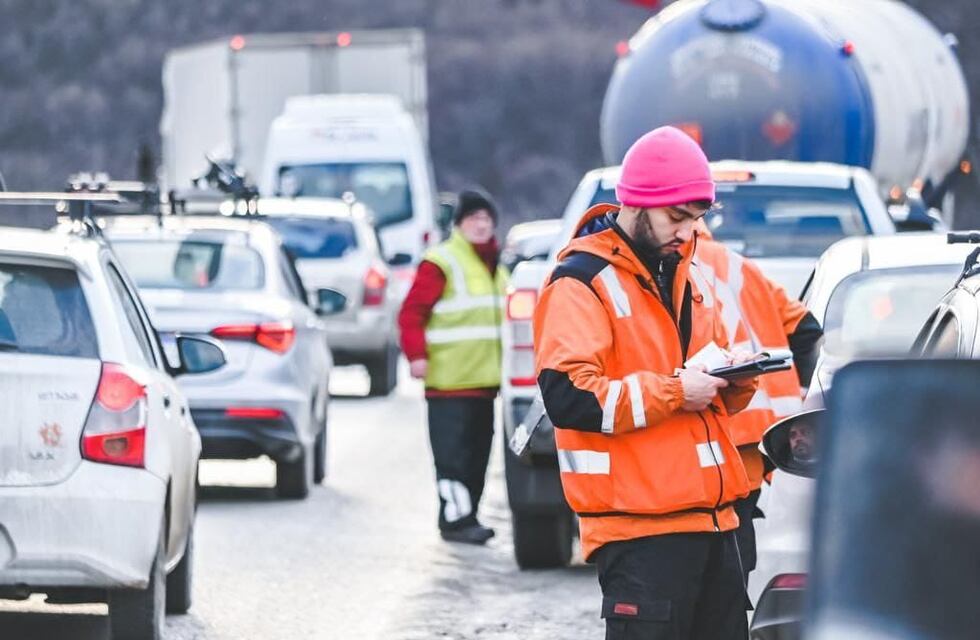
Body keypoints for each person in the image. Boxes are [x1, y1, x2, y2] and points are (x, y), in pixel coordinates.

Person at [534, 127, 757, 639]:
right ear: (635, 205)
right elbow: (571, 398)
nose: (686, 231)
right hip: (640, 534)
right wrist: (679, 391)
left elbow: (711, 378)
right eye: (675, 217)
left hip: (716, 523)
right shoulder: (580, 281)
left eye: (696, 219)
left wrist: (735, 376)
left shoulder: (691, 275)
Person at [692, 222, 823, 583]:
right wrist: (789, 386)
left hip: (704, 433)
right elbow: (807, 329)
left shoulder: (669, 267)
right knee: (738, 536)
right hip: (756, 437)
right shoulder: (739, 267)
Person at [398, 189, 509, 545]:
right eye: (473, 219)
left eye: (487, 219)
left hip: (485, 382)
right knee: (453, 458)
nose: (481, 225)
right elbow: (411, 313)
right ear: (460, 225)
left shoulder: (496, 267)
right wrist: (417, 356)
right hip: (449, 383)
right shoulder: (441, 262)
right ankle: (455, 519)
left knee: (478, 455)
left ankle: (468, 515)